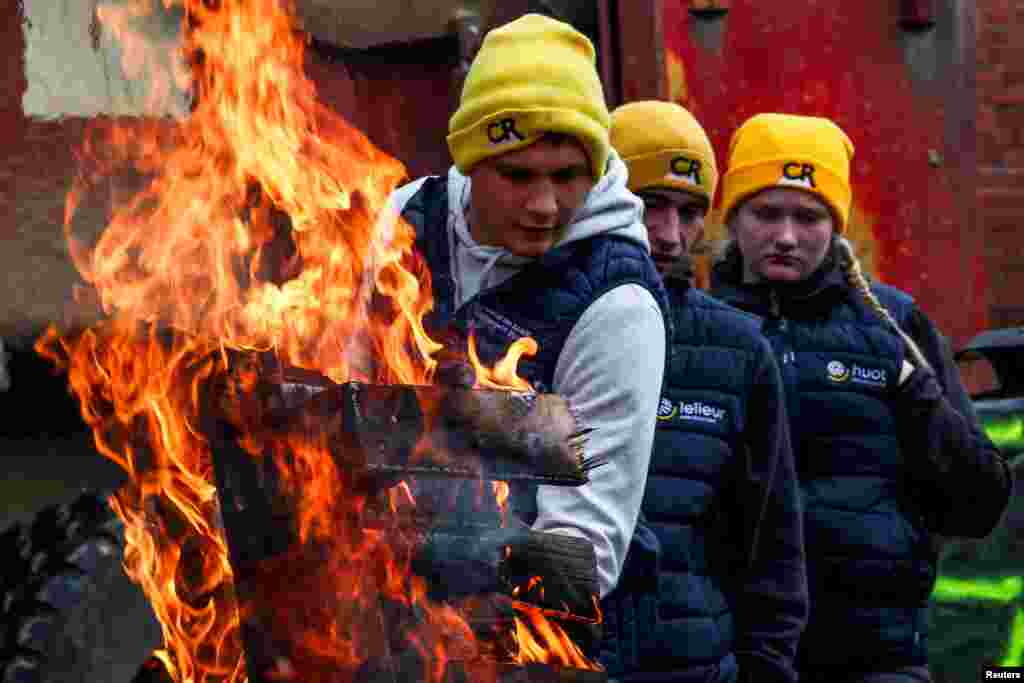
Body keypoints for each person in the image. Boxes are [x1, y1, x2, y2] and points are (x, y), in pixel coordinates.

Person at [386, 14, 670, 655]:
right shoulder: (402, 221)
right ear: (472, 160)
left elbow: (585, 560)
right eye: (517, 175)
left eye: (569, 175)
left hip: (535, 647)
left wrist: (406, 551)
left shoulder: (618, 307)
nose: (544, 204)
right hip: (379, 623)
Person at [708, 113, 1014, 682]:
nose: (786, 236)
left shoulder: (893, 327)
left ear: (837, 225)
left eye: (809, 216)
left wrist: (914, 393)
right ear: (732, 218)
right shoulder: (698, 326)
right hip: (738, 657)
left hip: (878, 655)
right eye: (765, 213)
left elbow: (979, 502)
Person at [598, 100, 807, 683]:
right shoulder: (540, 332)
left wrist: (766, 669)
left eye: (690, 212)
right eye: (649, 205)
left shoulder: (738, 350)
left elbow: (774, 546)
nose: (669, 235)